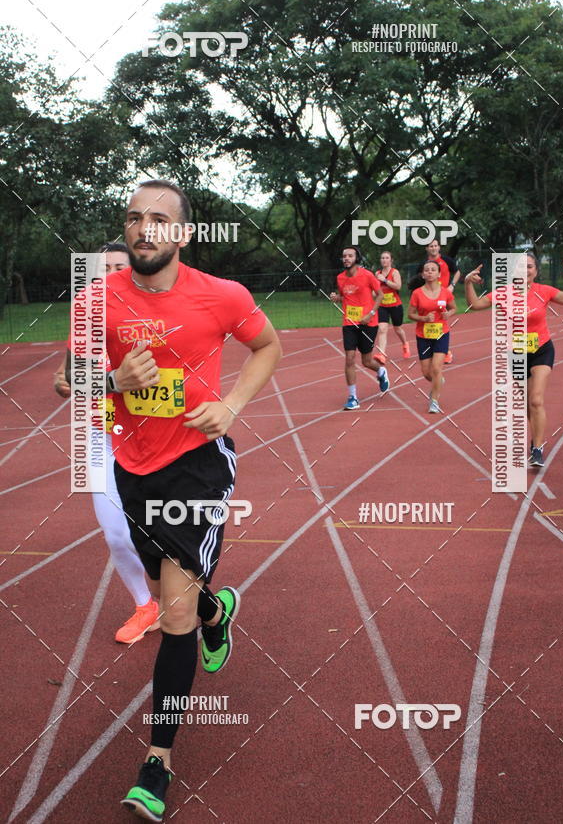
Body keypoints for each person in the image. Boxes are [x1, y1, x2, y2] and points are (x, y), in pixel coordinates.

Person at [67, 180, 281, 822]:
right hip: (133, 467)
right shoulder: (93, 300)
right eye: (133, 218)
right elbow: (64, 380)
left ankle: (157, 761)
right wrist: (108, 380)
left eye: (158, 220)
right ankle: (220, 611)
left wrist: (232, 404)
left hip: (197, 468)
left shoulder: (222, 296)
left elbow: (267, 346)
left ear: (183, 234)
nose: (143, 229)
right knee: (175, 597)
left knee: (174, 614)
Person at [53, 243, 160, 644]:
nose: (110, 275)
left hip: (151, 437)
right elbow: (72, 376)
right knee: (116, 532)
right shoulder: (85, 318)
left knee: (162, 527)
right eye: (104, 268)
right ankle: (145, 605)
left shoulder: (149, 315)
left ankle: (188, 600)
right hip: (99, 437)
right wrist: (64, 379)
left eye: (120, 267)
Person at [464, 253, 563, 466]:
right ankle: (535, 438)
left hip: (542, 350)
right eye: (520, 267)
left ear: (536, 271)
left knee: (537, 399)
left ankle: (537, 448)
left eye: (529, 267)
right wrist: (467, 283)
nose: (525, 271)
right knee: (528, 404)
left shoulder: (543, 291)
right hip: (517, 354)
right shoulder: (503, 293)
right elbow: (475, 305)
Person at [329, 246, 389, 410]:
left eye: (350, 255)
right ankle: (353, 397)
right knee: (349, 358)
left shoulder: (367, 275)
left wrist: (370, 314)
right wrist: (337, 298)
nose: (346, 258)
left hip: (368, 323)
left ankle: (381, 372)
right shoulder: (340, 278)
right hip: (349, 323)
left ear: (357, 258)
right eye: (344, 256)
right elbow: (345, 296)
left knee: (367, 361)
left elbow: (380, 295)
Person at [408, 260, 456, 413]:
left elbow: (454, 308)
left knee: (436, 368)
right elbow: (410, 314)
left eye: (433, 270)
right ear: (422, 274)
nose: (429, 272)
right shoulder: (417, 293)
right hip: (423, 335)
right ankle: (437, 382)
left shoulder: (445, 292)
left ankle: (434, 400)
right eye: (426, 270)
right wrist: (423, 319)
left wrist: (448, 313)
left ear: (439, 274)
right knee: (426, 372)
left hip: (441, 333)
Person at [416, 238, 460, 364]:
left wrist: (452, 285)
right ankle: (439, 349)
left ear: (439, 247)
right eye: (431, 246)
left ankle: (444, 350)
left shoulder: (446, 260)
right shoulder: (424, 264)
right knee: (430, 321)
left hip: (443, 296)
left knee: (441, 319)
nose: (433, 248)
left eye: (435, 245)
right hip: (428, 295)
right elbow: (418, 278)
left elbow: (457, 272)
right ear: (427, 249)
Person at [373, 250, 410, 363]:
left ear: (391, 260)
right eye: (382, 258)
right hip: (382, 305)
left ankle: (405, 344)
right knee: (382, 328)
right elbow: (375, 291)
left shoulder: (394, 272)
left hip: (395, 305)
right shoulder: (377, 273)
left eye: (387, 258)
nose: (384, 260)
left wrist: (384, 280)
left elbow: (398, 286)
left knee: (397, 328)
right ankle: (382, 354)